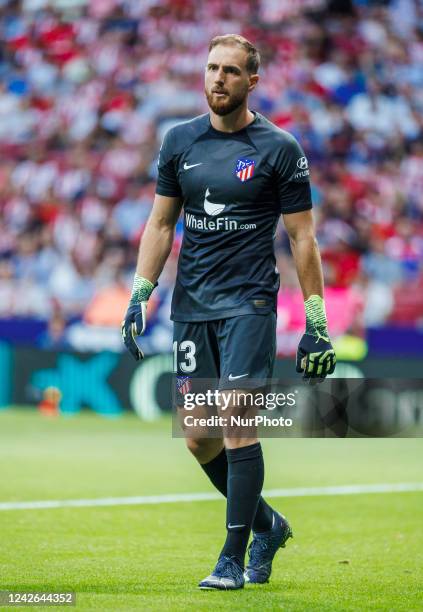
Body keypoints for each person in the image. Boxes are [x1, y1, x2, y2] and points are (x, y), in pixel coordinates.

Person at [121, 34, 336, 590]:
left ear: (252, 82)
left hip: (250, 303)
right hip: (193, 306)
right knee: (199, 438)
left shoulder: (280, 148)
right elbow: (161, 224)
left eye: (231, 71)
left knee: (238, 420)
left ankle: (231, 559)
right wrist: (139, 294)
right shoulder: (178, 142)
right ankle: (268, 525)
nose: (218, 78)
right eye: (212, 68)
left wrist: (316, 323)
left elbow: (302, 240)